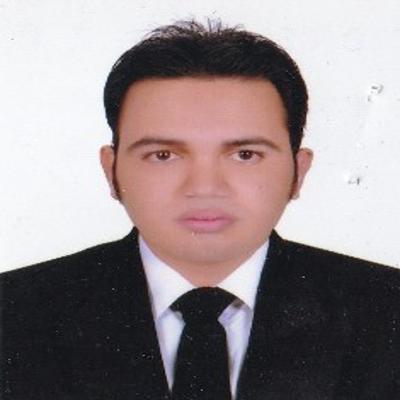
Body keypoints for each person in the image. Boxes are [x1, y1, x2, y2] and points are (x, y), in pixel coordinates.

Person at [1, 19, 399, 400]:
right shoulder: (13, 315)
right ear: (112, 171)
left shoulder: (387, 311)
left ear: (299, 171)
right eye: (163, 155)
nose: (205, 187)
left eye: (245, 155)